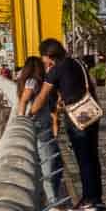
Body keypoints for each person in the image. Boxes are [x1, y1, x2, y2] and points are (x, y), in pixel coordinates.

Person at [41, 38, 104, 211]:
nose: (43, 61)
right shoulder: (77, 63)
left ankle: (88, 200)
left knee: (83, 158)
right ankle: (96, 198)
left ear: (49, 56)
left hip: (76, 118)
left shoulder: (56, 70)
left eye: (43, 57)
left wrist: (29, 112)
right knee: (92, 156)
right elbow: (89, 85)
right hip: (91, 113)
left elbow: (43, 96)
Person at [15, 56, 66, 201]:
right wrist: (23, 117)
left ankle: (50, 197)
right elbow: (24, 99)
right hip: (40, 126)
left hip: (44, 126)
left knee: (55, 162)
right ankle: (52, 200)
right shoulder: (33, 81)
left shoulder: (35, 82)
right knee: (49, 162)